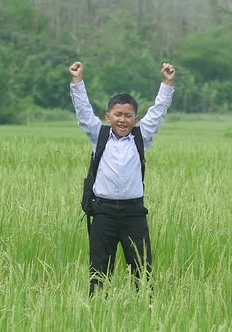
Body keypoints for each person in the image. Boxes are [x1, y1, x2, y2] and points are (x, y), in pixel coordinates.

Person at [69, 60, 175, 296]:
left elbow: (157, 113)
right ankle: (98, 311)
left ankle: (147, 310)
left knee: (143, 270)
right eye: (118, 114)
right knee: (99, 270)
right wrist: (77, 81)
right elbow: (84, 113)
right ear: (108, 116)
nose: (122, 120)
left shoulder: (141, 137)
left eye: (128, 116)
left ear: (135, 119)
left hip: (134, 214)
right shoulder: (99, 136)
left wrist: (167, 84)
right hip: (103, 213)